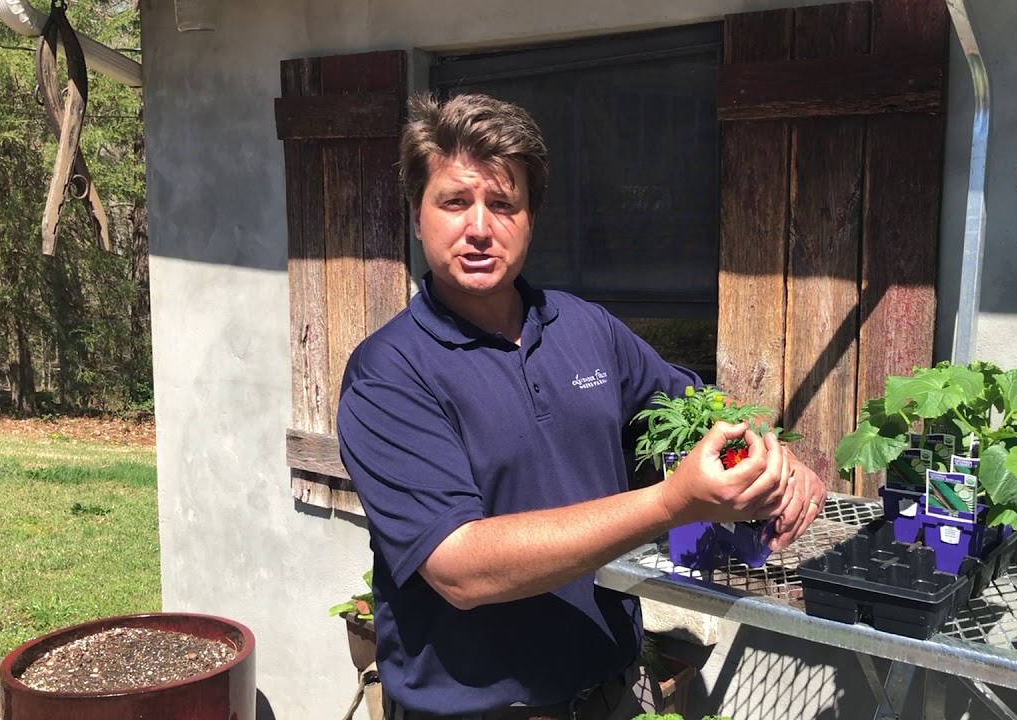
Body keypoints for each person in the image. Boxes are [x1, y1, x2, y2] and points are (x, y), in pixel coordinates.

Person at [337, 92, 827, 720]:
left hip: (614, 694)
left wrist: (773, 455)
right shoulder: (390, 373)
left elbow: (701, 410)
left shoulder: (584, 327)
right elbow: (459, 567)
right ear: (417, 216)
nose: (479, 227)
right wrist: (671, 502)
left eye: (503, 203)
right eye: (455, 202)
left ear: (531, 217)